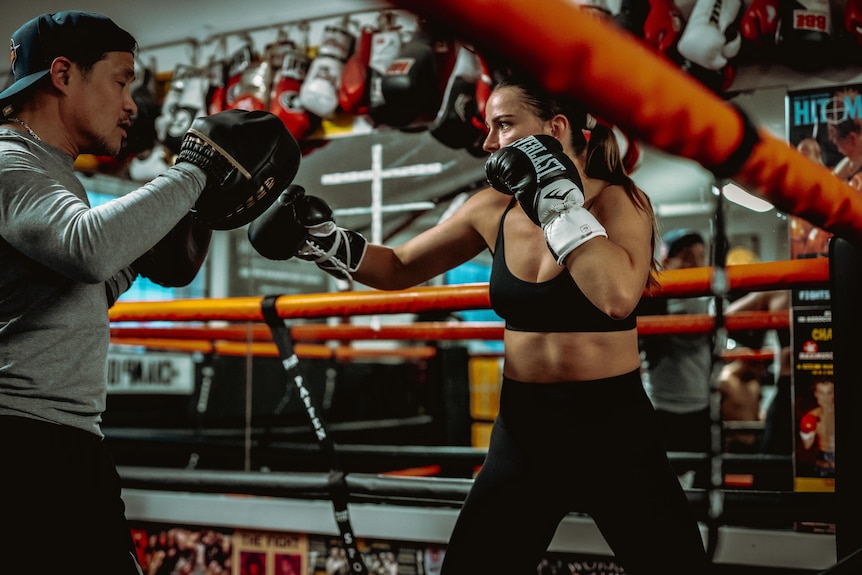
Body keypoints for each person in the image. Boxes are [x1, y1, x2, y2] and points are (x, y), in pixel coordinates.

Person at [249, 76, 708, 574]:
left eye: (504, 125)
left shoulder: (618, 201)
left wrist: (555, 202)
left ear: (555, 129)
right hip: (525, 427)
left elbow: (616, 297)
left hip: (611, 425)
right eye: (489, 128)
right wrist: (325, 240)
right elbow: (400, 265)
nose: (489, 143)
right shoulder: (492, 208)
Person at [0, 11, 298, 575]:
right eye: (121, 80)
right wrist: (193, 172)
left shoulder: (49, 171)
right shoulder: (10, 162)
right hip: (25, 442)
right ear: (63, 75)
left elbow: (74, 287)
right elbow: (85, 246)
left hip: (55, 439)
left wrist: (138, 253)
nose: (132, 104)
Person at [638, 229, 713, 487]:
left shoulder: (701, 298)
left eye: (701, 257)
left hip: (699, 405)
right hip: (665, 407)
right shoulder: (658, 297)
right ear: (667, 262)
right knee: (662, 484)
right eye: (687, 257)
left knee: (697, 481)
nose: (695, 265)